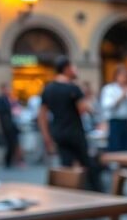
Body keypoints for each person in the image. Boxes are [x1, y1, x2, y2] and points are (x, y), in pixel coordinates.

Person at [39, 56, 100, 189]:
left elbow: (42, 116)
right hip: (75, 132)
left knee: (66, 165)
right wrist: (90, 106)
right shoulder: (73, 88)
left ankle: (69, 193)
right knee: (87, 164)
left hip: (58, 132)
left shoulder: (48, 88)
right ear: (66, 69)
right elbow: (82, 110)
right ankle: (95, 192)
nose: (75, 70)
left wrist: (46, 137)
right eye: (73, 67)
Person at [100, 66, 127, 152]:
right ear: (116, 76)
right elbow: (107, 105)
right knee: (116, 147)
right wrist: (122, 96)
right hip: (115, 122)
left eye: (126, 76)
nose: (124, 79)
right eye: (122, 76)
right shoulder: (109, 89)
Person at [0, 83, 20, 168]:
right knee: (9, 144)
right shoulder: (0, 99)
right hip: (6, 125)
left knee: (13, 143)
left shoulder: (10, 99)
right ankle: (7, 161)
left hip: (12, 124)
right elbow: (3, 112)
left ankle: (11, 160)